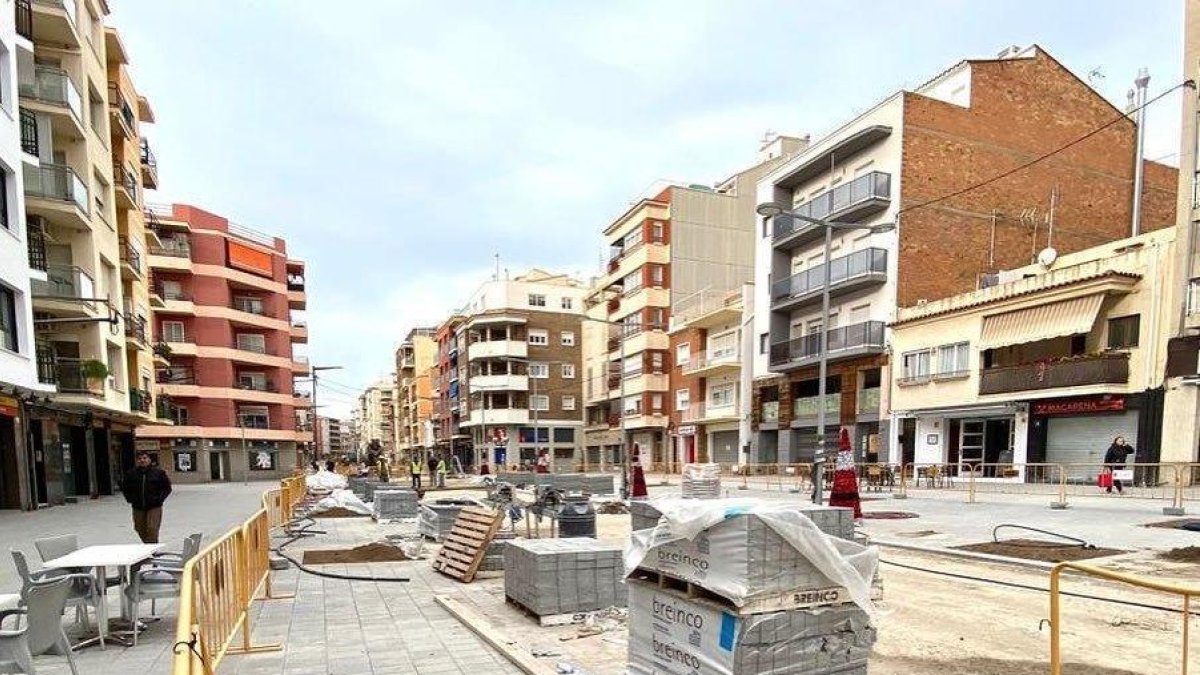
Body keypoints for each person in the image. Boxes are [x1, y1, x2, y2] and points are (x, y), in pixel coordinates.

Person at [121, 451, 172, 544]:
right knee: (139, 528)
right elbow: (125, 488)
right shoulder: (131, 474)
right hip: (138, 506)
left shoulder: (158, 473)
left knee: (152, 528)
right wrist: (130, 499)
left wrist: (159, 499)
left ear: (149, 460)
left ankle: (152, 549)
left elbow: (167, 488)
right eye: (140, 459)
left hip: (154, 506)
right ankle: (148, 545)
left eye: (144, 458)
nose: (142, 460)